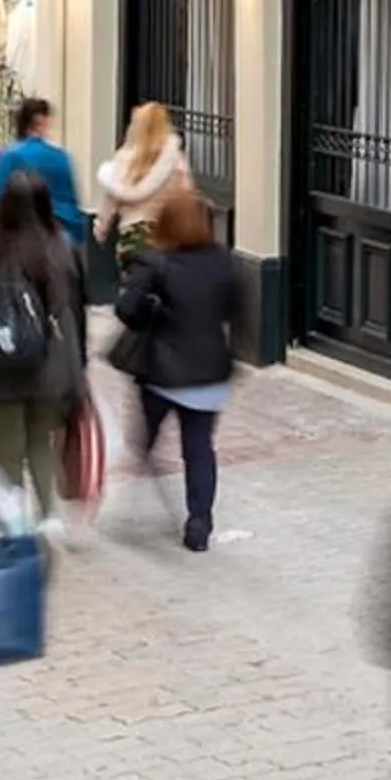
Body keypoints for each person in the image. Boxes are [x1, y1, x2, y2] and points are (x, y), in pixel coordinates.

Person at [0, 174, 87, 527]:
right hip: (48, 369)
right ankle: (48, 514)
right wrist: (75, 365)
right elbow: (72, 313)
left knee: (8, 453)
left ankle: (13, 524)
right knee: (40, 441)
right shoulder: (60, 247)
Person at [113, 185, 242, 551]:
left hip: (161, 373)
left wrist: (149, 310)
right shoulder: (224, 261)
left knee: (146, 439)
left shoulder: (155, 262)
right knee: (199, 448)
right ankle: (199, 523)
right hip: (209, 373)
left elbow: (127, 310)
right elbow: (237, 312)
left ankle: (134, 504)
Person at [0, 98, 89, 262]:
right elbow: (71, 202)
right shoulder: (61, 157)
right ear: (42, 121)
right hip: (61, 241)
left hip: (18, 241)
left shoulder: (8, 158)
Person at [95, 101, 190, 267]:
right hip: (166, 237)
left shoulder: (124, 160)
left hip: (133, 237)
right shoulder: (177, 163)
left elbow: (110, 201)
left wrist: (101, 230)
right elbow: (187, 199)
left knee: (134, 288)